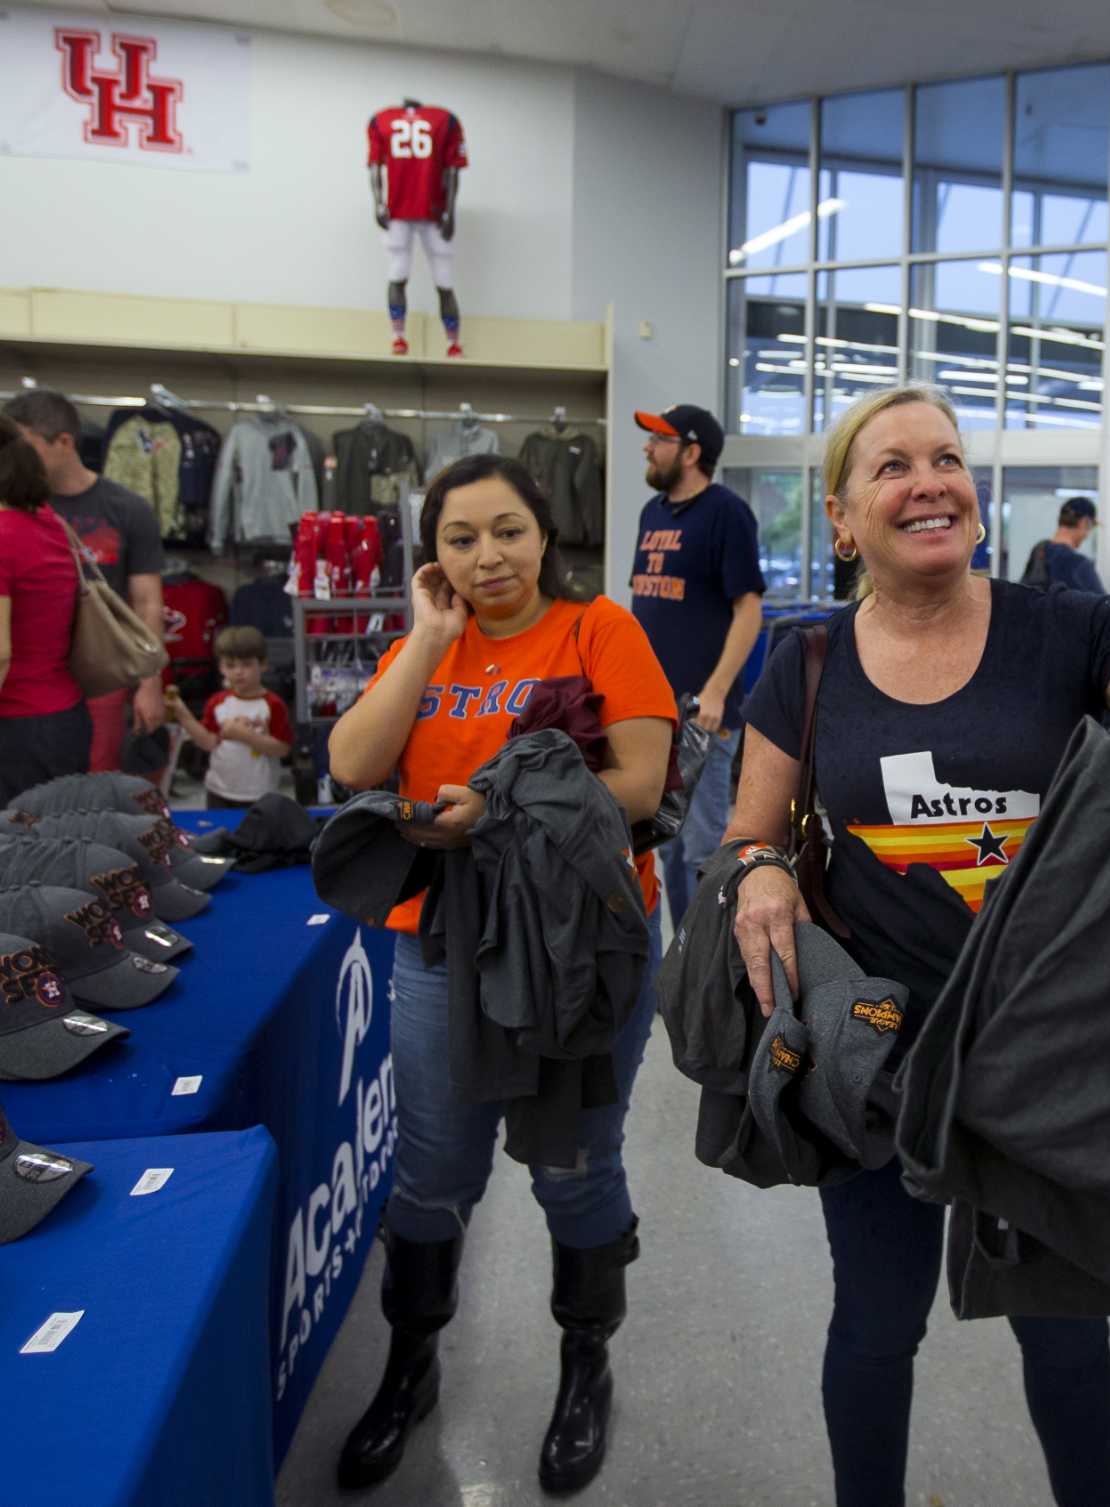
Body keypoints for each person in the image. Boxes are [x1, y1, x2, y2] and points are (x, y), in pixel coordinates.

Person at [721, 326, 1110, 1507]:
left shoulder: (1067, 633)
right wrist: (759, 875)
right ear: (841, 521)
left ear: (976, 497)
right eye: (889, 465)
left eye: (945, 456)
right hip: (882, 1059)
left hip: (1053, 1054)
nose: (927, 478)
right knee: (875, 1326)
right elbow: (748, 833)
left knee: (1063, 1329)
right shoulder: (804, 665)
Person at [325, 454, 676, 1495]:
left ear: (543, 535)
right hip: (440, 931)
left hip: (583, 935)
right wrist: (427, 643)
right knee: (431, 1168)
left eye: (509, 529)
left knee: (574, 1160)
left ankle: (584, 1362)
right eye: (462, 538)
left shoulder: (598, 629)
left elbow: (639, 782)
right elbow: (351, 764)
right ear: (433, 556)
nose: (489, 555)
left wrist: (499, 808)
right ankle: (410, 1363)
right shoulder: (425, 643)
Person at [627, 403, 765, 930]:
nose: (647, 447)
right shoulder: (652, 513)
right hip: (653, 713)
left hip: (703, 715)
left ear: (690, 452)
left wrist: (716, 691)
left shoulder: (726, 513)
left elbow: (748, 609)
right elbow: (647, 603)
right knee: (663, 845)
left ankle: (709, 971)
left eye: (659, 440)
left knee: (702, 848)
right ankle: (682, 960)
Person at [1, 390, 166, 771]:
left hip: (98, 669)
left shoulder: (126, 508)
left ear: (64, 442)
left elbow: (148, 602)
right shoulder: (27, 515)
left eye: (24, 446)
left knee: (93, 786)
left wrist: (150, 681)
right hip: (34, 683)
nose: (15, 458)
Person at [0, 414, 88, 805]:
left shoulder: (2, 535)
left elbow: (0, 653)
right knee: (57, 850)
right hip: (63, 715)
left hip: (16, 725)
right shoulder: (51, 524)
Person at [164, 625, 292, 810]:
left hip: (259, 792)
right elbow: (208, 742)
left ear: (262, 665)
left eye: (246, 664)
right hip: (219, 790)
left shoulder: (272, 705)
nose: (239, 672)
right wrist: (182, 714)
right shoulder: (217, 703)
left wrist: (245, 736)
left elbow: (282, 749)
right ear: (221, 667)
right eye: (231, 665)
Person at [1020, 497, 1106, 594]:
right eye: (1091, 527)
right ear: (1084, 522)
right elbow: (1106, 607)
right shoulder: (1079, 564)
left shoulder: (1039, 550)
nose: (1087, 534)